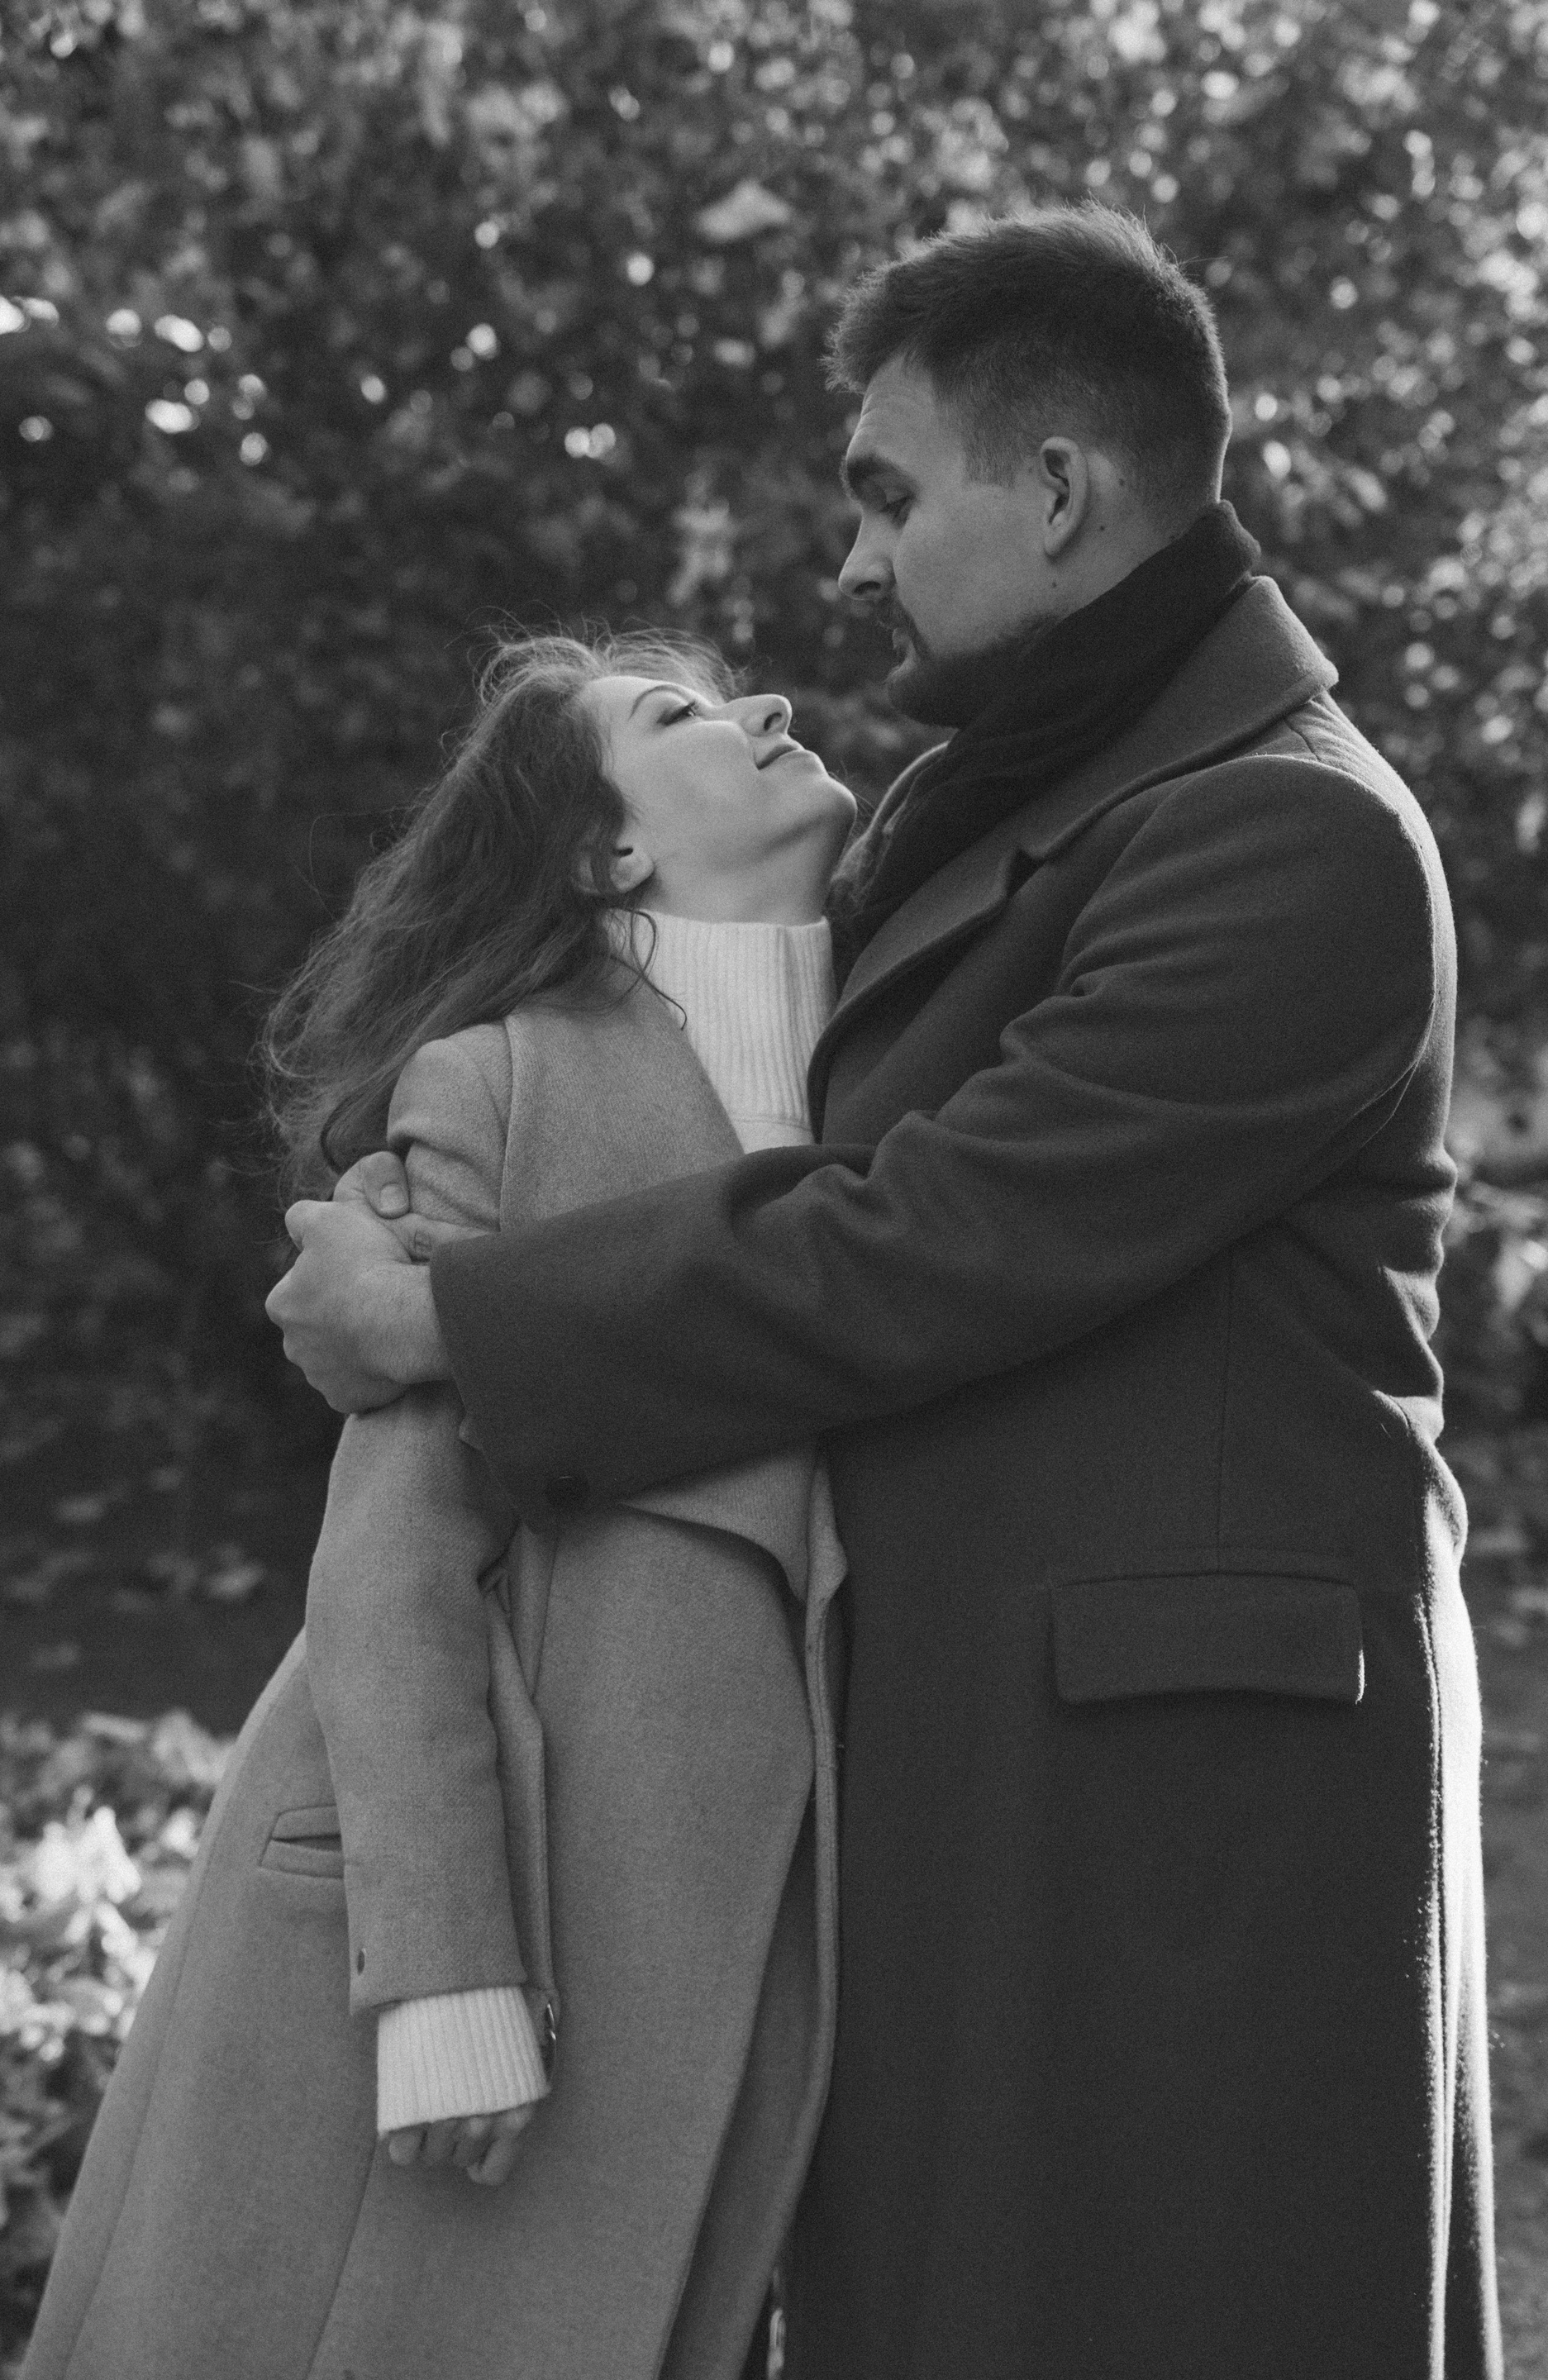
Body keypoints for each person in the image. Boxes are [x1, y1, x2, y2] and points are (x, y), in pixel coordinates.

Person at [269, 203, 1502, 2379]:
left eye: (888, 497)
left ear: (1057, 490)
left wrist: (451, 1319)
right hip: (966, 1769)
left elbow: (935, 1232)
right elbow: (731, 1097)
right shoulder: (1013, 800)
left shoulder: (1289, 835)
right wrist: (450, 1151)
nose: (849, 568)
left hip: (1177, 1814)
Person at [21, 631, 855, 2380]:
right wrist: (447, 1970)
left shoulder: (897, 1093)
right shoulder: (501, 1075)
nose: (771, 710)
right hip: (501, 1927)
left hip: (732, 1947)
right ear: (606, 851)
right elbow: (396, 1554)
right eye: (683, 717)